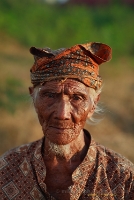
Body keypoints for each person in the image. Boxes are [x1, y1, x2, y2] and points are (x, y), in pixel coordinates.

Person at [0, 42, 134, 200]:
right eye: (50, 95)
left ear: (93, 104)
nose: (62, 114)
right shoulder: (7, 169)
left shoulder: (122, 177)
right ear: (34, 99)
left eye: (77, 98)